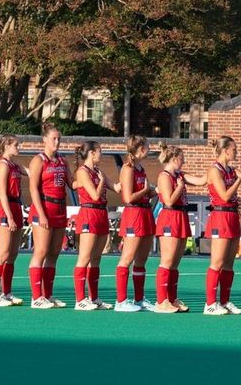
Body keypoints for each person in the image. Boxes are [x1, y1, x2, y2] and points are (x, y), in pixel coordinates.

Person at [153, 143, 206, 314]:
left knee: (175, 263)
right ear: (175, 159)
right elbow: (168, 200)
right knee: (167, 261)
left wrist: (215, 168)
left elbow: (201, 181)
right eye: (182, 159)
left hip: (181, 216)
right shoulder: (164, 176)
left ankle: (172, 298)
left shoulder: (179, 175)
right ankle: (161, 301)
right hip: (169, 216)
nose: (184, 162)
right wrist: (180, 187)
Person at [203, 136, 241, 316]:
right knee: (217, 262)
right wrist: (239, 180)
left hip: (232, 216)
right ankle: (210, 303)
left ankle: (224, 301)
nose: (236, 152)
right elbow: (224, 196)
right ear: (225, 151)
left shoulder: (231, 170)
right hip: (220, 215)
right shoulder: (214, 170)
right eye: (234, 149)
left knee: (229, 263)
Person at [27, 123, 70, 309]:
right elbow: (33, 189)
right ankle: (36, 297)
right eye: (54, 138)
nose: (57, 142)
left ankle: (48, 295)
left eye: (59, 139)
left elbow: (72, 183)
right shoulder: (39, 160)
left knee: (54, 253)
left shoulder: (62, 160)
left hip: (60, 209)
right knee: (41, 251)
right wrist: (41, 214)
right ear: (44, 139)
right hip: (44, 208)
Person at [114, 135, 156, 312]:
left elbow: (145, 192)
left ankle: (139, 299)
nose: (149, 149)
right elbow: (128, 197)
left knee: (141, 260)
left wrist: (156, 190)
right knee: (127, 258)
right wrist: (145, 190)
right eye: (147, 146)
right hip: (134, 214)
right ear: (141, 149)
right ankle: (121, 301)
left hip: (145, 212)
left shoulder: (140, 167)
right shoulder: (128, 168)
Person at [72, 140, 112, 311]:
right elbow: (95, 195)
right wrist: (102, 182)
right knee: (85, 257)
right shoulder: (83, 172)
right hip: (89, 213)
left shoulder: (98, 171)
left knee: (96, 259)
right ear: (92, 153)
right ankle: (80, 299)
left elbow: (116, 187)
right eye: (99, 151)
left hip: (101, 214)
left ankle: (94, 298)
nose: (101, 154)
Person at [0, 134, 25, 307]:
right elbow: (2, 193)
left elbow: (33, 172)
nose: (19, 147)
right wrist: (9, 216)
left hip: (16, 206)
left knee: (12, 255)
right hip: (5, 209)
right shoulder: (2, 165)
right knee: (2, 253)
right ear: (7, 146)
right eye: (16, 144)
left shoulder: (14, 165)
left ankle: (6, 292)